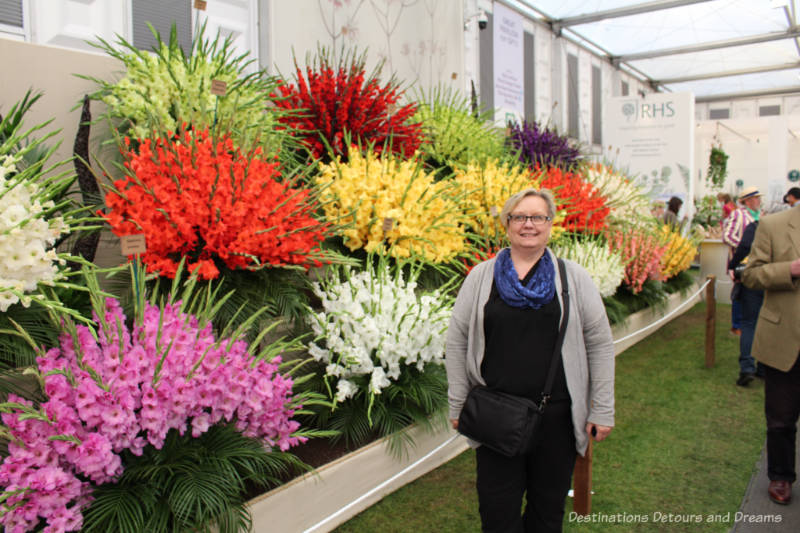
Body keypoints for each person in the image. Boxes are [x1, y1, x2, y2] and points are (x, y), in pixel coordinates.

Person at [445, 188, 615, 532]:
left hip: (556, 418)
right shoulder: (482, 276)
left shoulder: (572, 278)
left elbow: (599, 342)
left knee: (547, 512)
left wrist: (603, 409)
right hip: (496, 415)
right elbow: (457, 339)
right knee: (496, 513)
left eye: (537, 217)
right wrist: (457, 403)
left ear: (550, 225)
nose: (528, 224)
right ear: (507, 224)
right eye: (519, 217)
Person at [741, 201, 800, 506]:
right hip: (784, 340)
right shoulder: (774, 225)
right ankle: (780, 475)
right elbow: (750, 275)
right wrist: (789, 269)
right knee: (780, 418)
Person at [723, 187, 763, 335]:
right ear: (747, 200)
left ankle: (751, 322)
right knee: (740, 293)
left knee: (754, 292)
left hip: (757, 262)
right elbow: (727, 236)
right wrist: (744, 246)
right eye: (756, 198)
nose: (759, 201)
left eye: (759, 198)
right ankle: (737, 325)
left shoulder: (760, 215)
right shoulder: (738, 214)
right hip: (740, 262)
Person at [728, 219, 763, 386]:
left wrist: (733, 266)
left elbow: (744, 246)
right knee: (767, 323)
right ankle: (763, 366)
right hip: (777, 278)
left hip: (754, 277)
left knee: (749, 323)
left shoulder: (757, 225)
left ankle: (747, 368)